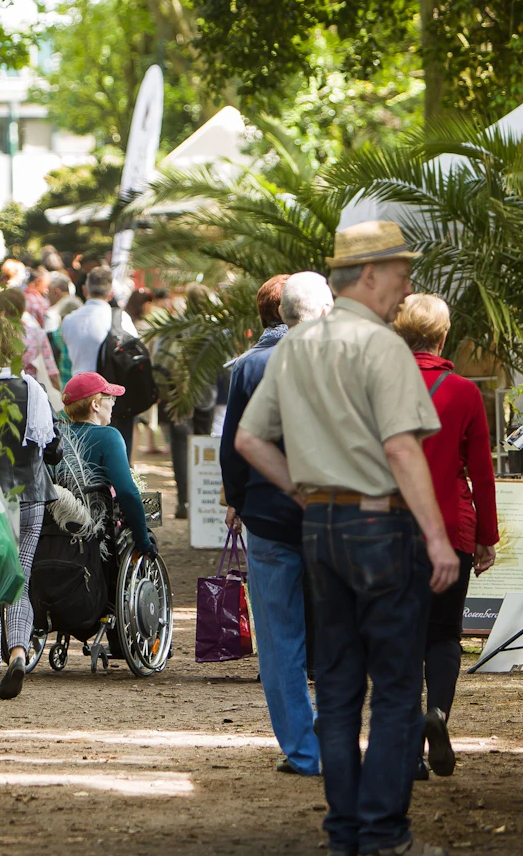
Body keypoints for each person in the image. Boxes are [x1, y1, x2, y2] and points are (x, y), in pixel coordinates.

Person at [233, 221, 454, 856]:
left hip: (320, 525)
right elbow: (402, 448)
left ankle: (344, 833)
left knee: (335, 684)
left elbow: (249, 440)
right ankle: (384, 834)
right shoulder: (381, 347)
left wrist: (301, 489)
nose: (406, 287)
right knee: (392, 686)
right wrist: (437, 539)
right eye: (402, 274)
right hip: (379, 523)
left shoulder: (297, 346)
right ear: (370, 274)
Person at [220, 272, 327, 778]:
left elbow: (233, 446)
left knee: (280, 637)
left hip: (268, 516)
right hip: (334, 515)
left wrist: (240, 500)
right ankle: (334, 735)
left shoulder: (250, 367)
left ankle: (304, 751)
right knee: (336, 630)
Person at [393, 293, 498, 781]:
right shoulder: (465, 392)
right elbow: (481, 472)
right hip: (451, 530)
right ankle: (437, 714)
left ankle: (409, 752)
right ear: (442, 336)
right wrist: (486, 537)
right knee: (444, 634)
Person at [0, 310, 54, 699]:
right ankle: (19, 650)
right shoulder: (33, 389)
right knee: (20, 577)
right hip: (30, 493)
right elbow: (49, 448)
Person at [58, 373, 158, 554]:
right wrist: (143, 541)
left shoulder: (57, 436)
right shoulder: (108, 437)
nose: (113, 402)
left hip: (58, 530)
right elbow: (127, 492)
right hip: (98, 532)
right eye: (110, 397)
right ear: (95, 404)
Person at [58, 265, 116, 377]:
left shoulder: (68, 321)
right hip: (108, 390)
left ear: (84, 290)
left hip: (77, 388)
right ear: (111, 294)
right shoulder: (122, 319)